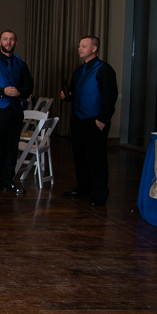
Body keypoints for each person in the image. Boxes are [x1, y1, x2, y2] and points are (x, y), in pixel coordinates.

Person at [61, 35, 118, 207]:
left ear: (94, 49)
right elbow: (75, 93)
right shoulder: (78, 71)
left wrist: (103, 119)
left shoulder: (104, 69)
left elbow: (110, 96)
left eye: (83, 46)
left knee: (96, 157)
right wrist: (67, 96)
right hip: (78, 119)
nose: (80, 49)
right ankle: (84, 187)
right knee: (80, 156)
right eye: (79, 46)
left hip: (95, 120)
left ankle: (99, 193)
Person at [0, 30, 34, 196]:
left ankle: (7, 181)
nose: (8, 42)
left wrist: (20, 93)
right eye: (5, 39)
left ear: (15, 42)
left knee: (11, 149)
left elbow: (29, 86)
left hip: (15, 111)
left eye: (11, 39)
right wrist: (3, 92)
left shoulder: (20, 64)